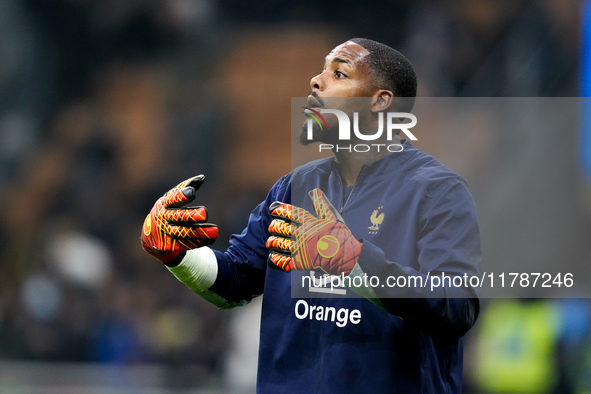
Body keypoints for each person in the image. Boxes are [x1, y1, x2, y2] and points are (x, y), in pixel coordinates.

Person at [141, 38, 481, 393]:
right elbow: (236, 281)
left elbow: (457, 308)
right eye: (321, 70)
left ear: (381, 102)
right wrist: (180, 255)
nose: (316, 82)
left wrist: (356, 261)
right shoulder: (293, 187)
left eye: (339, 73)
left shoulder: (437, 192)